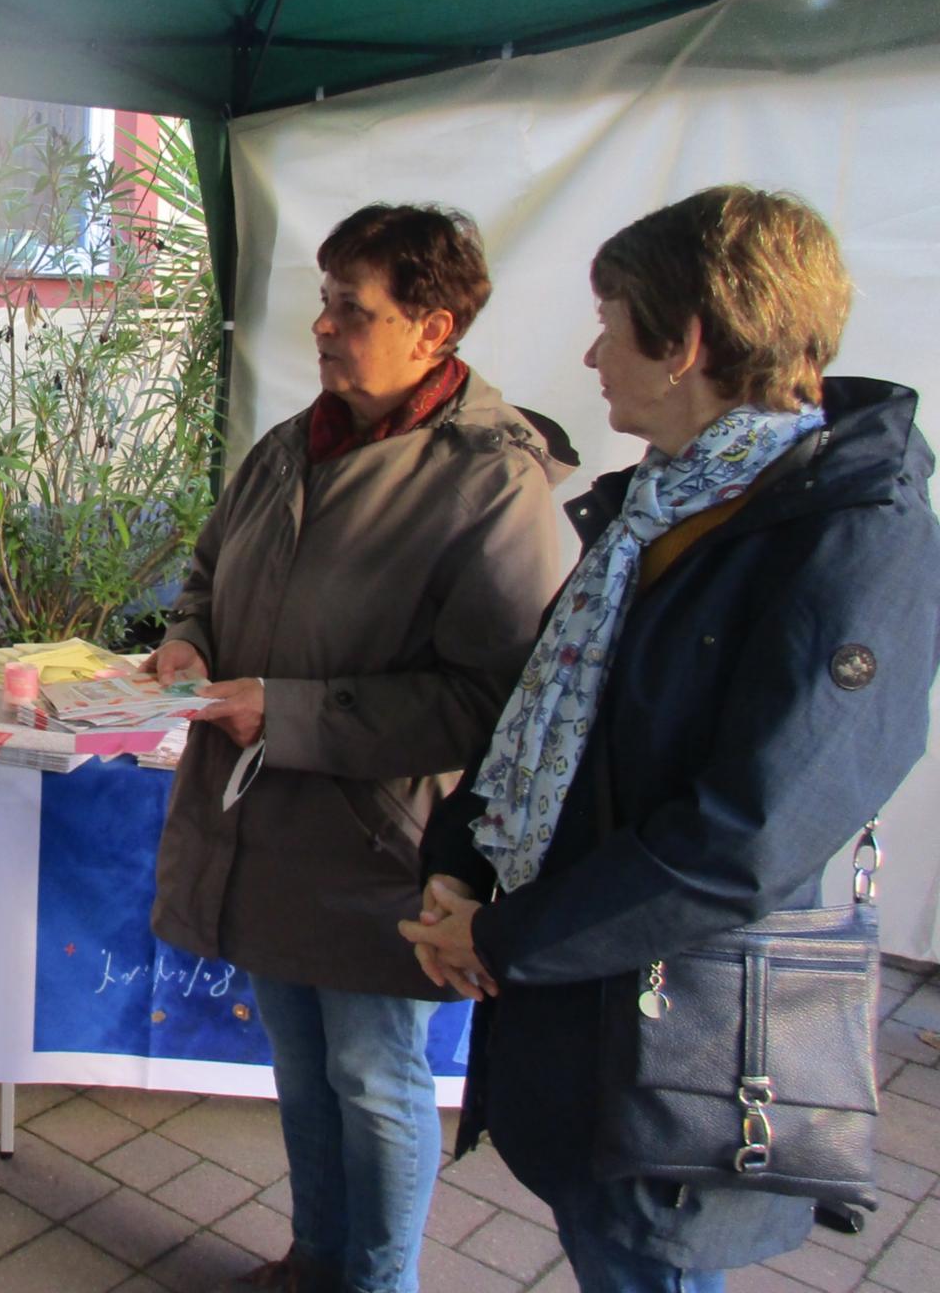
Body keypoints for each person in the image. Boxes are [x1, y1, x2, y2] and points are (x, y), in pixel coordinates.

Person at [403, 187, 940, 1292]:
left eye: (609, 320)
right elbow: (541, 718)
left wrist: (503, 940)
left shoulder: (848, 543)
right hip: (588, 1013)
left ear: (684, 342)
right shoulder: (656, 507)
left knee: (645, 1268)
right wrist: (458, 866)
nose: (592, 354)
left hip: (681, 1055)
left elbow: (745, 837)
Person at [147, 204, 570, 1293]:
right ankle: (315, 1259)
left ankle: (375, 1284)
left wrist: (282, 713)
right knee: (297, 1063)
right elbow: (205, 573)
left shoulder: (489, 478)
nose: (321, 328)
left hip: (378, 843)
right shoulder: (292, 441)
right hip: (260, 826)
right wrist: (189, 643)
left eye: (351, 308)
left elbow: (496, 699)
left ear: (433, 330)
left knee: (375, 1079)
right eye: (323, 302)